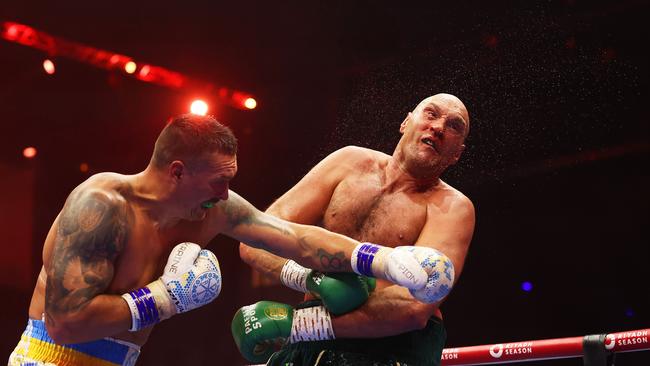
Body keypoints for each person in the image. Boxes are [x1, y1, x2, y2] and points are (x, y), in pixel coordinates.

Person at [8, 113, 443, 366]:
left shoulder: (213, 208)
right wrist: (166, 299)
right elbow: (65, 322)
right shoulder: (101, 206)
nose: (224, 194)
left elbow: (293, 238)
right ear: (177, 172)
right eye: (217, 182)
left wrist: (382, 260)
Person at [236, 93, 475, 366]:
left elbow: (414, 308)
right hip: (312, 339)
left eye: (454, 125)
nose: (439, 127)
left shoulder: (452, 207)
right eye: (431, 114)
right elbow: (257, 236)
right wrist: (309, 278)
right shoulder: (348, 163)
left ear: (458, 153)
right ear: (406, 122)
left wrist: (301, 325)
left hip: (392, 345)